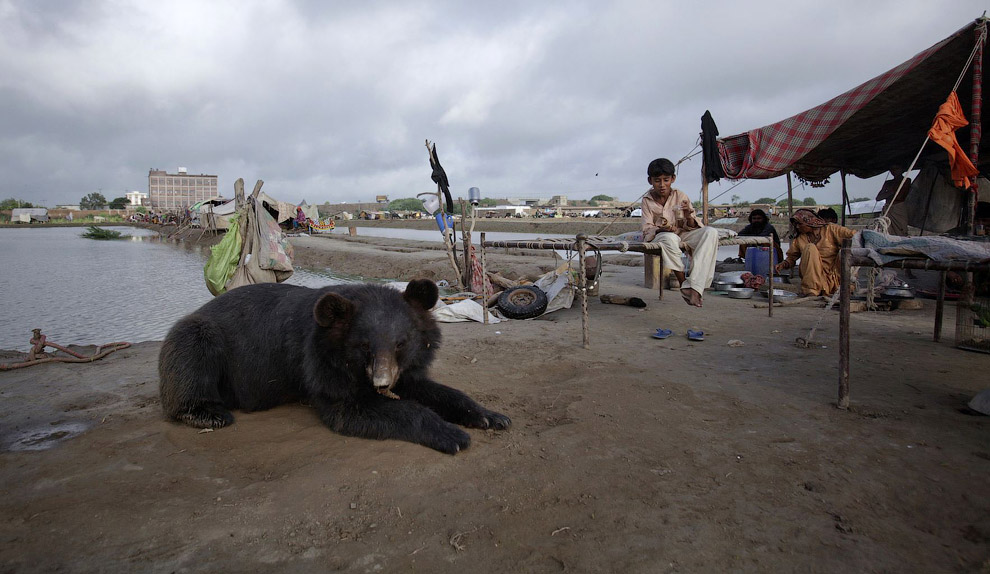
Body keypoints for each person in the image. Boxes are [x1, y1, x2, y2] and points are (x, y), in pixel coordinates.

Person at [640, 158, 719, 307]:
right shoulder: (647, 200)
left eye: (666, 180)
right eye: (657, 181)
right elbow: (647, 228)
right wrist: (661, 229)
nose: (662, 185)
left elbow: (691, 226)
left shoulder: (680, 196)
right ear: (650, 181)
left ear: (673, 179)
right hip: (662, 235)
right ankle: (684, 284)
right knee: (669, 238)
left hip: (682, 233)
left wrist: (689, 216)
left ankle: (694, 286)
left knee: (710, 232)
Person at [774, 208, 856, 296]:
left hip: (834, 276)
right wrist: (783, 264)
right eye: (796, 224)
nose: (797, 227)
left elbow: (854, 235)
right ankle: (811, 290)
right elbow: (791, 257)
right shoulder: (800, 239)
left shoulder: (831, 229)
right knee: (810, 248)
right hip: (813, 278)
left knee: (845, 252)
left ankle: (846, 287)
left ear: (810, 222)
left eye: (800, 224)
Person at [876, 166, 912, 235]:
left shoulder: (906, 180)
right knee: (886, 229)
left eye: (896, 169)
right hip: (888, 207)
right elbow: (878, 198)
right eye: (892, 169)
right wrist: (891, 192)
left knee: (901, 229)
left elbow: (900, 197)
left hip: (898, 208)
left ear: (902, 170)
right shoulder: (888, 183)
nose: (894, 171)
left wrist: (889, 193)